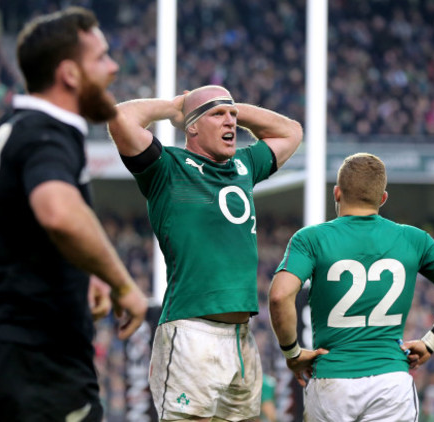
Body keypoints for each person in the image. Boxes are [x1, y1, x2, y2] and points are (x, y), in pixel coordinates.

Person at [0, 7, 148, 422]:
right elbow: (58, 212)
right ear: (69, 74)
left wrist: (87, 271)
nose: (113, 68)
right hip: (42, 362)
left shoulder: (11, 128)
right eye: (101, 57)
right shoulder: (49, 130)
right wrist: (123, 284)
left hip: (5, 352)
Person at [107, 85, 303, 421]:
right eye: (217, 115)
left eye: (232, 116)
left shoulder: (243, 166)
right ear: (191, 127)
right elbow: (120, 118)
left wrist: (229, 107)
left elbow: (291, 132)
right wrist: (175, 107)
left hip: (241, 336)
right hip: (191, 331)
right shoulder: (168, 169)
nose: (230, 122)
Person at [269, 152, 434, 422]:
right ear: (383, 198)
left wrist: (292, 353)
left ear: (337, 193)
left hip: (332, 380)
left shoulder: (311, 239)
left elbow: (280, 295)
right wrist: (432, 341)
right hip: (391, 381)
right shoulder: (412, 239)